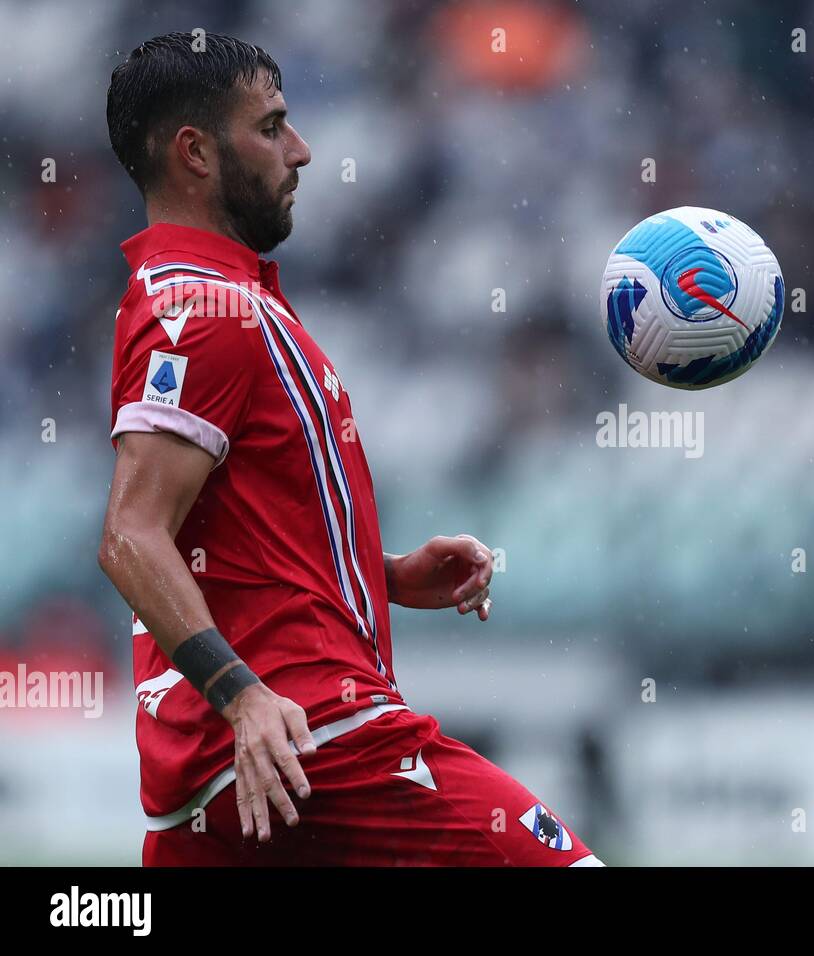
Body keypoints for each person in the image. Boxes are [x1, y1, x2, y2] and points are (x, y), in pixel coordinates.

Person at [99, 33, 602, 866]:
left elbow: (220, 533)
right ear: (194, 152)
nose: (300, 151)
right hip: (316, 734)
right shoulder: (200, 308)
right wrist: (245, 698)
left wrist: (385, 575)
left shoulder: (221, 299)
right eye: (270, 128)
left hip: (231, 776)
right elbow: (131, 534)